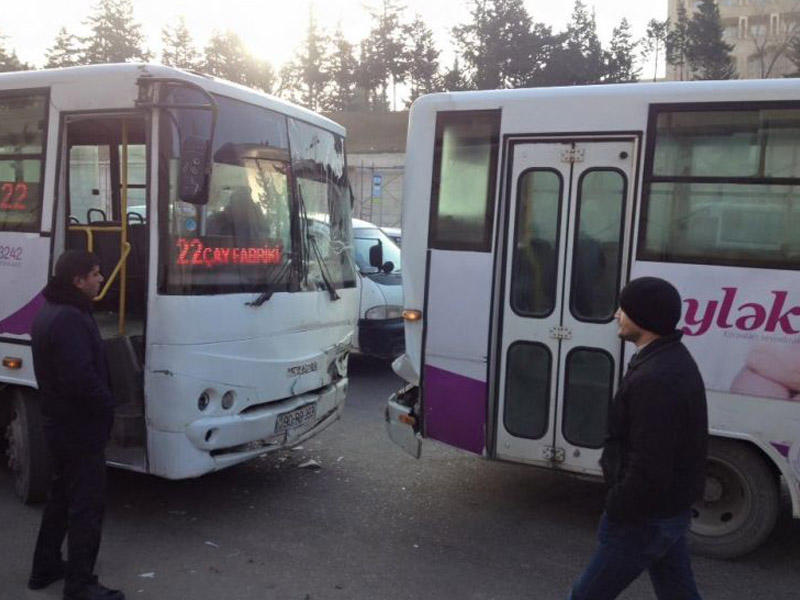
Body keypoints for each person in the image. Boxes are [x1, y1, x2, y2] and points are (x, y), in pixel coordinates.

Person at [569, 276, 708, 600]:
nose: (617, 314)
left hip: (644, 519)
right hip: (668, 512)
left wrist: (618, 507)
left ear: (644, 318)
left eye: (624, 309)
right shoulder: (671, 359)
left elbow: (649, 463)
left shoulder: (656, 378)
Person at [28, 250, 124, 600]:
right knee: (86, 506)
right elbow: (80, 378)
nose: (101, 279)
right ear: (77, 280)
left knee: (60, 499)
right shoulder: (69, 318)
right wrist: (108, 404)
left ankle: (45, 567)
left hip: (60, 426)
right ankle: (80, 584)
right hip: (78, 429)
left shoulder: (52, 311)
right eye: (95, 274)